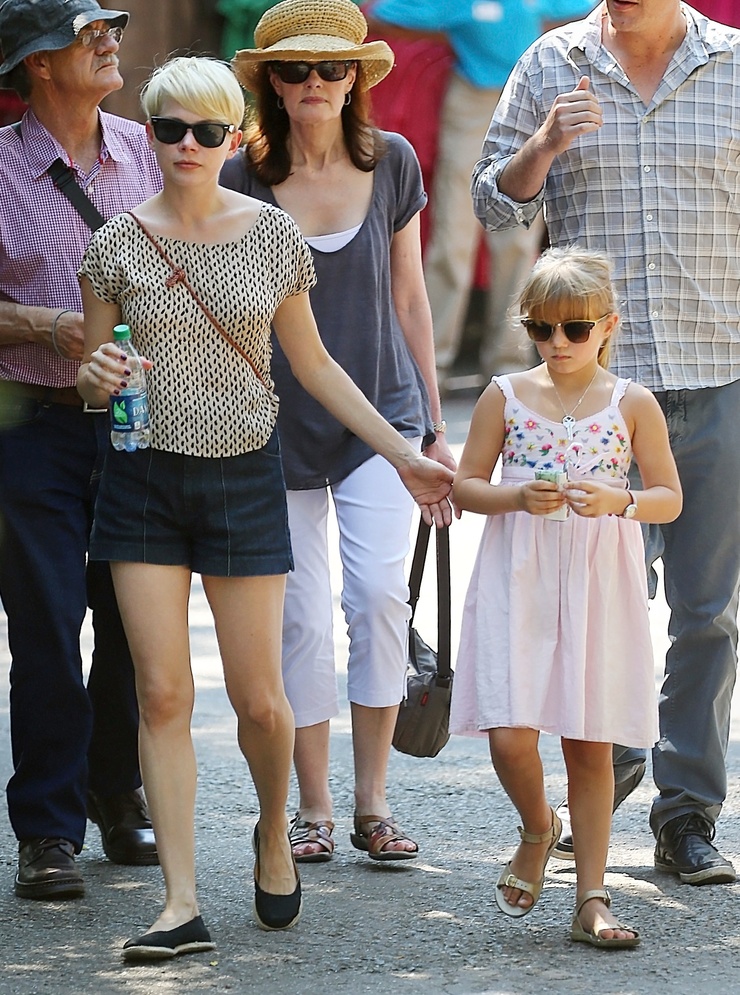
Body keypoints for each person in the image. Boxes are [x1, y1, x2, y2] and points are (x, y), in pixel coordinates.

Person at [76, 54, 453, 959]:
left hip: (246, 474)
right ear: (150, 134)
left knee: (262, 703)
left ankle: (277, 829)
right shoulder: (114, 244)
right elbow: (95, 379)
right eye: (171, 128)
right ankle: (179, 902)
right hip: (142, 480)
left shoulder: (271, 235)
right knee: (162, 693)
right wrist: (97, 375)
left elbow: (316, 365)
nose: (189, 144)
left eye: (209, 129)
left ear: (232, 136)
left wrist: (407, 450)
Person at [471, 0, 739, 885]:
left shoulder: (733, 64)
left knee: (709, 614)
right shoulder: (551, 63)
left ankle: (686, 815)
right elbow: (490, 201)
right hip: (593, 397)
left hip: (719, 370)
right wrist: (544, 145)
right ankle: (608, 765)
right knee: (592, 603)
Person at [222, 0, 455, 865]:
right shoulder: (241, 175)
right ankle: (313, 808)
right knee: (302, 622)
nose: (315, 82)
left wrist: (431, 427)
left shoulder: (392, 160)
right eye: (296, 69)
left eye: (332, 67)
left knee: (380, 599)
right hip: (274, 424)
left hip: (381, 418)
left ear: (355, 79)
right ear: (272, 85)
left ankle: (373, 802)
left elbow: (410, 297)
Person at [450, 247, 682, 947]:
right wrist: (516, 495)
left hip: (597, 580)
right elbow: (466, 485)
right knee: (510, 732)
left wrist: (621, 500)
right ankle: (537, 826)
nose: (557, 343)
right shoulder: (505, 395)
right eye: (541, 329)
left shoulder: (631, 402)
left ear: (607, 325)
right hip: (518, 574)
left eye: (575, 329)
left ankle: (591, 896)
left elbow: (669, 497)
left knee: (589, 741)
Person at [0, 0, 160, 901]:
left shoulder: (148, 149)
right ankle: (47, 828)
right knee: (49, 627)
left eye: (111, 26)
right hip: (33, 424)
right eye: (85, 31)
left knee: (134, 620)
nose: (108, 40)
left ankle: (115, 787)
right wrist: (47, 325)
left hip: (136, 420)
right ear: (37, 63)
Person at [366, 0, 593, 383]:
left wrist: (538, 35)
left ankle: (510, 365)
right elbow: (379, 16)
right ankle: (429, 365)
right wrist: (450, 32)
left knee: (519, 241)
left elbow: (590, 10)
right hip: (473, 101)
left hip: (528, 101)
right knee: (453, 238)